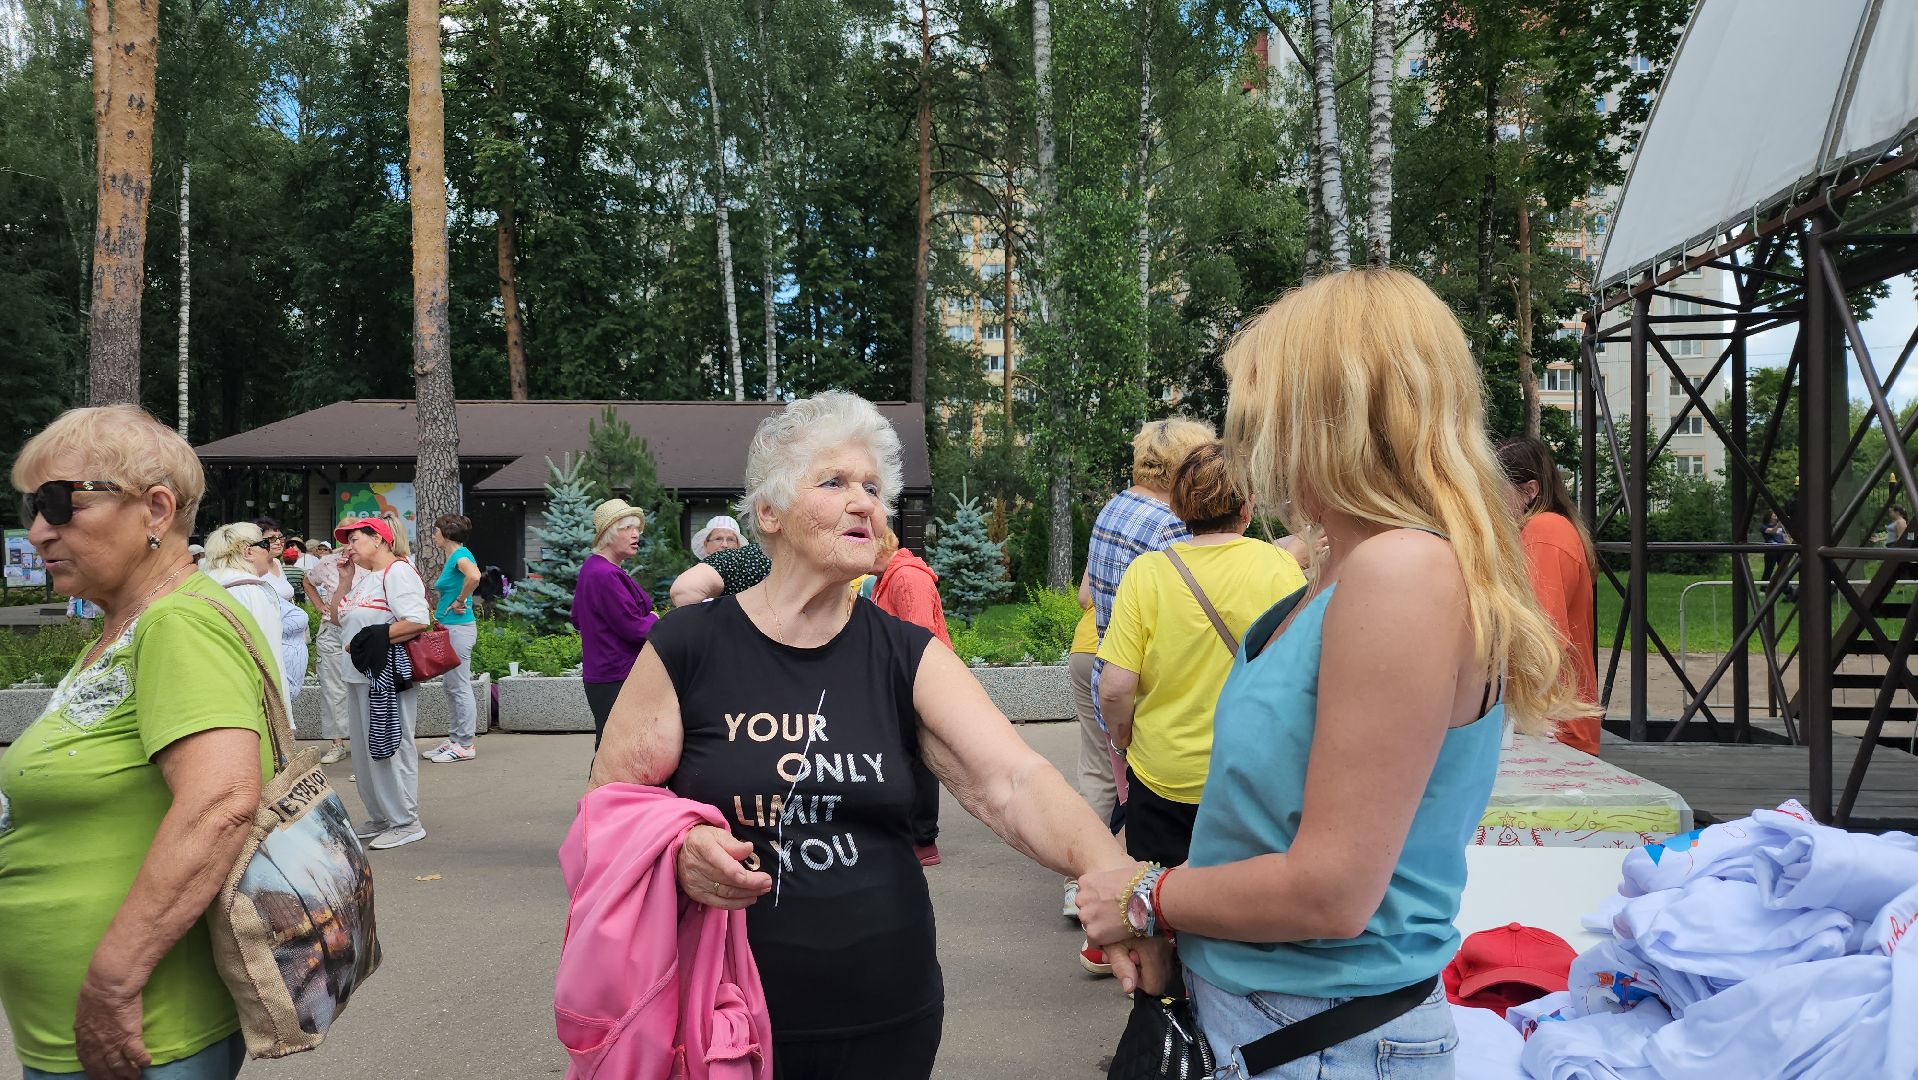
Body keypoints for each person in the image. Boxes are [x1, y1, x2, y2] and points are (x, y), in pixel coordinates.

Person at [1077, 269, 1586, 1079]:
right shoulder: (1346, 571)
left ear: (1323, 408)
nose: (1250, 429)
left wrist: (1147, 896)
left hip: (1319, 1032)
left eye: (1261, 398)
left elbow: (1330, 891)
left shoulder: (1401, 572)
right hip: (1280, 1016)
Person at [591, 392, 1159, 1079]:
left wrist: (1119, 879)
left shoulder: (904, 653)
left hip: (887, 1013)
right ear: (767, 513)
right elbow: (609, 808)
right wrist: (677, 849)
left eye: (872, 488)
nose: (864, 502)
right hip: (721, 1014)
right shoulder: (688, 646)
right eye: (833, 483)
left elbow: (1014, 782)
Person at [2, 405, 276, 1079]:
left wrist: (111, 984)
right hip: (93, 1035)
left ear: (156, 510)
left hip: (139, 1036)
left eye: (59, 503)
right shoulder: (129, 625)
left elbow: (220, 803)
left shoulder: (178, 625)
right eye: (30, 507)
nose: (38, 531)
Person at [1097, 441, 1305, 871]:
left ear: (1177, 508)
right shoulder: (1280, 568)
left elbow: (1116, 686)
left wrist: (1122, 742)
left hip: (1163, 776)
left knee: (1157, 911)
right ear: (1247, 507)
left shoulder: (1148, 574)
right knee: (1238, 907)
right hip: (1249, 775)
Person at [1073, 415, 1213, 969]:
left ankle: (1094, 905)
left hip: (1105, 667)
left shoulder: (1115, 507)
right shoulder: (1170, 526)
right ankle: (1129, 928)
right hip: (1146, 685)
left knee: (1112, 794)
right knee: (1151, 822)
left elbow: (1087, 593)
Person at [332, 514, 432, 850]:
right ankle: (381, 816)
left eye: (356, 539)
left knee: (391, 745)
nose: (349, 546)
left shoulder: (397, 572)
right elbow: (337, 618)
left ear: (379, 539)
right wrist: (344, 579)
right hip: (360, 674)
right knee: (364, 751)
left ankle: (406, 821)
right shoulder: (365, 577)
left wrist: (370, 638)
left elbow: (418, 620)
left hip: (385, 675)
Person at [1497, 436, 1601, 755]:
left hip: (1552, 729)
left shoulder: (1544, 533)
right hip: (1551, 725)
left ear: (1530, 490)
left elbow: (1542, 639)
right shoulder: (1550, 529)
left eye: (1494, 488)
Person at [861, 523, 951, 866]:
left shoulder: (906, 577)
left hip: (919, 680)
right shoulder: (888, 577)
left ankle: (922, 840)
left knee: (918, 759)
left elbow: (917, 638)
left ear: (879, 545)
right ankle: (908, 833)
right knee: (905, 755)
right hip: (902, 679)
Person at [573, 499, 659, 748]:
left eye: (637, 529)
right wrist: (653, 620)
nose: (635, 535)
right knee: (619, 750)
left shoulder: (593, 568)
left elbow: (577, 618)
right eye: (627, 528)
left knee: (611, 746)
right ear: (609, 534)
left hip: (602, 674)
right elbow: (633, 629)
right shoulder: (606, 574)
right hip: (617, 675)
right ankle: (601, 788)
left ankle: (600, 788)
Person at [201, 521, 306, 710]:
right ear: (249, 552)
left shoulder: (211, 583)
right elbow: (264, 655)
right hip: (253, 702)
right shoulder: (248, 590)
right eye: (264, 544)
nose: (269, 550)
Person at [423, 514, 483, 763]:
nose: (433, 535)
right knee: (451, 685)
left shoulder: (460, 555)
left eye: (435, 531)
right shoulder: (455, 555)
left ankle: (465, 744)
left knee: (458, 686)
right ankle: (456, 739)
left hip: (459, 629)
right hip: (451, 628)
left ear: (446, 533)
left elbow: (475, 577)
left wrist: (460, 600)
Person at [304, 534, 355, 764]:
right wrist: (318, 605)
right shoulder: (327, 562)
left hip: (360, 628)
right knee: (333, 688)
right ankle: (337, 743)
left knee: (362, 685)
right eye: (347, 537)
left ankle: (364, 742)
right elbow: (308, 581)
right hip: (332, 629)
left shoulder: (370, 563)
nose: (350, 542)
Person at [668, 522, 773, 607]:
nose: (725, 545)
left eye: (731, 539)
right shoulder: (692, 578)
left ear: (739, 546)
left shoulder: (750, 574)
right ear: (706, 544)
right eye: (718, 539)